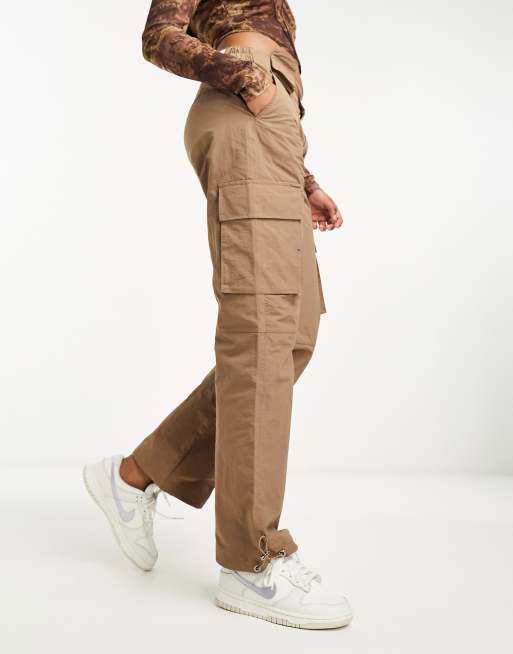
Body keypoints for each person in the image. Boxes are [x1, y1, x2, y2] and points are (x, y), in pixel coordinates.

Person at [83, 0, 351, 630]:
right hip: (245, 109)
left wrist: (303, 176)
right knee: (261, 343)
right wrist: (247, 78)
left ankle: (136, 475)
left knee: (291, 338)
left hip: (274, 135)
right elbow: (159, 35)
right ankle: (250, 562)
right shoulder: (239, 66)